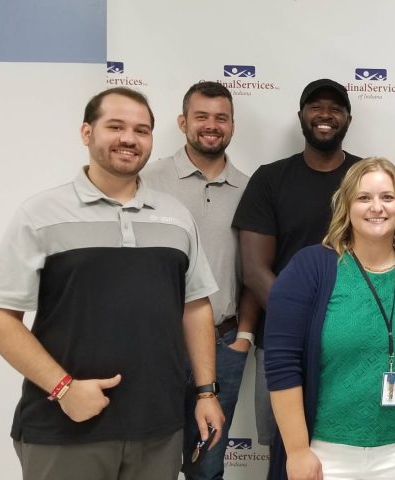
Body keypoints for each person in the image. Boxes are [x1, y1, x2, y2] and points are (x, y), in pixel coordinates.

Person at [0, 87, 224, 480]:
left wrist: (206, 392)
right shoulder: (40, 215)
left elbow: (195, 306)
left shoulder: (176, 218)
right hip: (64, 428)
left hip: (158, 430)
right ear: (86, 133)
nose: (130, 138)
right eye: (116, 126)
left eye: (142, 130)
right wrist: (63, 389)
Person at [263, 157, 395, 480]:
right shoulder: (310, 268)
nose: (377, 207)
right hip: (325, 455)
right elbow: (282, 363)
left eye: (387, 197)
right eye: (364, 198)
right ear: (346, 206)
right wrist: (298, 450)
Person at [232, 78, 363, 450]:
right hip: (283, 339)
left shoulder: (365, 177)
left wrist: (338, 326)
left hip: (352, 340)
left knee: (344, 445)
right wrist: (306, 324)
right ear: (301, 116)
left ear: (348, 119)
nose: (325, 114)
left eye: (335, 108)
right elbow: (255, 271)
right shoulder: (270, 179)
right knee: (284, 450)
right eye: (315, 107)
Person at [142, 80, 258, 479]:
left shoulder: (251, 189)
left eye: (221, 118)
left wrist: (243, 336)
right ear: (182, 122)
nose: (212, 125)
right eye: (201, 117)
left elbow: (254, 269)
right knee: (147, 461)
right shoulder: (147, 181)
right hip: (156, 345)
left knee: (207, 467)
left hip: (224, 343)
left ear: (232, 125)